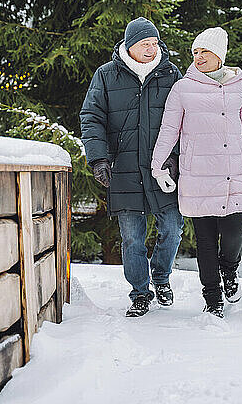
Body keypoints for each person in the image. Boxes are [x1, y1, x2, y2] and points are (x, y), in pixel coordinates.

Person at [151, 27, 242, 318]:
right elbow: (169, 131)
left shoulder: (239, 85)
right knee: (205, 242)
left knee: (233, 236)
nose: (199, 57)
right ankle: (212, 297)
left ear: (219, 55)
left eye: (204, 51)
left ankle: (230, 270)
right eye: (195, 52)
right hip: (198, 176)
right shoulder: (182, 88)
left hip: (234, 175)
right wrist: (158, 165)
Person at [80, 17, 184, 317]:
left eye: (154, 43)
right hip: (123, 168)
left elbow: (184, 119)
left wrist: (175, 156)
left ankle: (161, 277)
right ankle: (140, 292)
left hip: (162, 169)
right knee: (131, 238)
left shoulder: (170, 73)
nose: (152, 49)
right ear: (130, 46)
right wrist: (99, 158)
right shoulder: (106, 75)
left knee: (173, 228)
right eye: (145, 44)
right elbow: (91, 116)